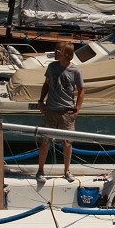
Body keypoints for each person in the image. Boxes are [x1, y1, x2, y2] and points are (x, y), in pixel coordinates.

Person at [36, 42, 86, 183]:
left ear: (66, 54)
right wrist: (41, 101)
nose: (56, 52)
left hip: (67, 112)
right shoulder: (52, 67)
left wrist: (77, 108)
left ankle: (67, 170)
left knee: (67, 142)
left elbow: (82, 89)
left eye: (58, 50)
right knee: (45, 141)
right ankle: (41, 170)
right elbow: (46, 84)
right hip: (51, 109)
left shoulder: (75, 71)